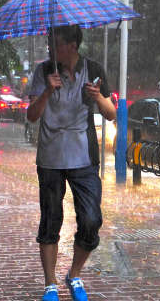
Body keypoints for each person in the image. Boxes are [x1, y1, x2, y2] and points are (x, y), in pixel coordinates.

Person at [27, 25, 116, 301]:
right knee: (50, 220)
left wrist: (98, 97)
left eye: (55, 43)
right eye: (49, 43)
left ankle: (74, 274)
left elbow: (111, 113)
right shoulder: (43, 71)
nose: (50, 48)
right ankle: (50, 283)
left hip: (83, 158)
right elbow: (31, 115)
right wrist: (46, 93)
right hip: (51, 158)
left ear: (73, 45)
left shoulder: (94, 69)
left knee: (91, 220)